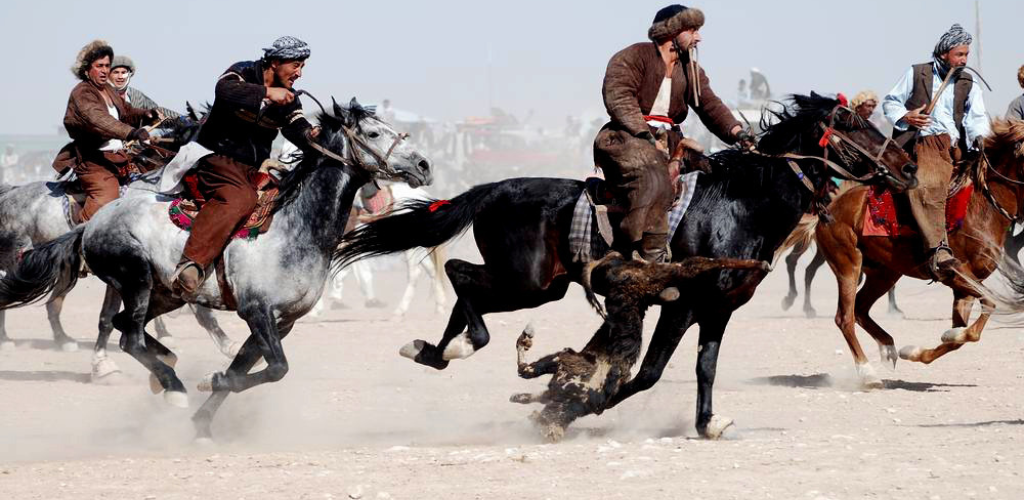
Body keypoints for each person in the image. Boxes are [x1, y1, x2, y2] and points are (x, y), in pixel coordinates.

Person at [595, 4, 751, 262]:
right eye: (693, 30)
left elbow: (710, 106)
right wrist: (645, 137)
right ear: (672, 30)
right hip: (625, 138)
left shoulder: (690, 70)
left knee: (715, 174)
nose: (698, 37)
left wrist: (738, 133)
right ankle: (649, 261)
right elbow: (619, 98)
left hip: (670, 141)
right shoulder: (633, 56)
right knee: (657, 181)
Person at [173, 36, 319, 294]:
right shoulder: (242, 72)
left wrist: (311, 135)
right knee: (239, 199)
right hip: (215, 159)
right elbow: (224, 91)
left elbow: (297, 127)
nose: (299, 73)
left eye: (302, 67)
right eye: (296, 65)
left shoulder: (290, 97)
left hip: (253, 169)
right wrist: (266, 92)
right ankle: (191, 264)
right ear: (275, 62)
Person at [882, 24, 990, 280]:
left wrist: (981, 140)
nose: (964, 60)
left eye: (966, 54)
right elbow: (890, 101)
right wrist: (907, 116)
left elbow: (976, 117)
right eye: (959, 54)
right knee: (926, 186)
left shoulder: (967, 81)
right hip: (925, 144)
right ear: (945, 54)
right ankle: (938, 248)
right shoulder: (918, 73)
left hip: (957, 148)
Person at [53, 40, 158, 221]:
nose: (104, 70)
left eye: (107, 66)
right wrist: (132, 133)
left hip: (119, 158)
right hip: (93, 161)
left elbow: (126, 112)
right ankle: (79, 242)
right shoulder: (82, 93)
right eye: (99, 66)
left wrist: (146, 115)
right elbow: (100, 120)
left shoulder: (108, 89)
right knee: (106, 201)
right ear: (87, 70)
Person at [108, 55, 180, 118]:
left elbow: (157, 112)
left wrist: (182, 119)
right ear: (108, 75)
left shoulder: (136, 95)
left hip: (136, 133)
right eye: (116, 72)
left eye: (124, 73)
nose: (120, 77)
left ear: (129, 75)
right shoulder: (102, 94)